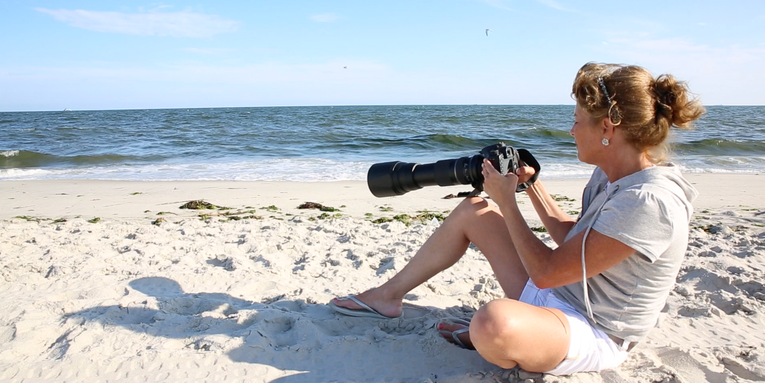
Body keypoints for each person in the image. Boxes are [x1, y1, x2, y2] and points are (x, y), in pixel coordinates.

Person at [330, 62, 706, 375]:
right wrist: (532, 186)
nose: (571, 130)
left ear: (607, 128)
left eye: (577, 121)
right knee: (475, 211)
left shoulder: (649, 201)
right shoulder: (613, 176)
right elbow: (575, 242)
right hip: (562, 295)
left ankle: (513, 337)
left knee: (492, 323)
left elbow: (546, 272)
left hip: (595, 330)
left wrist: (508, 204)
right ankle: (386, 297)